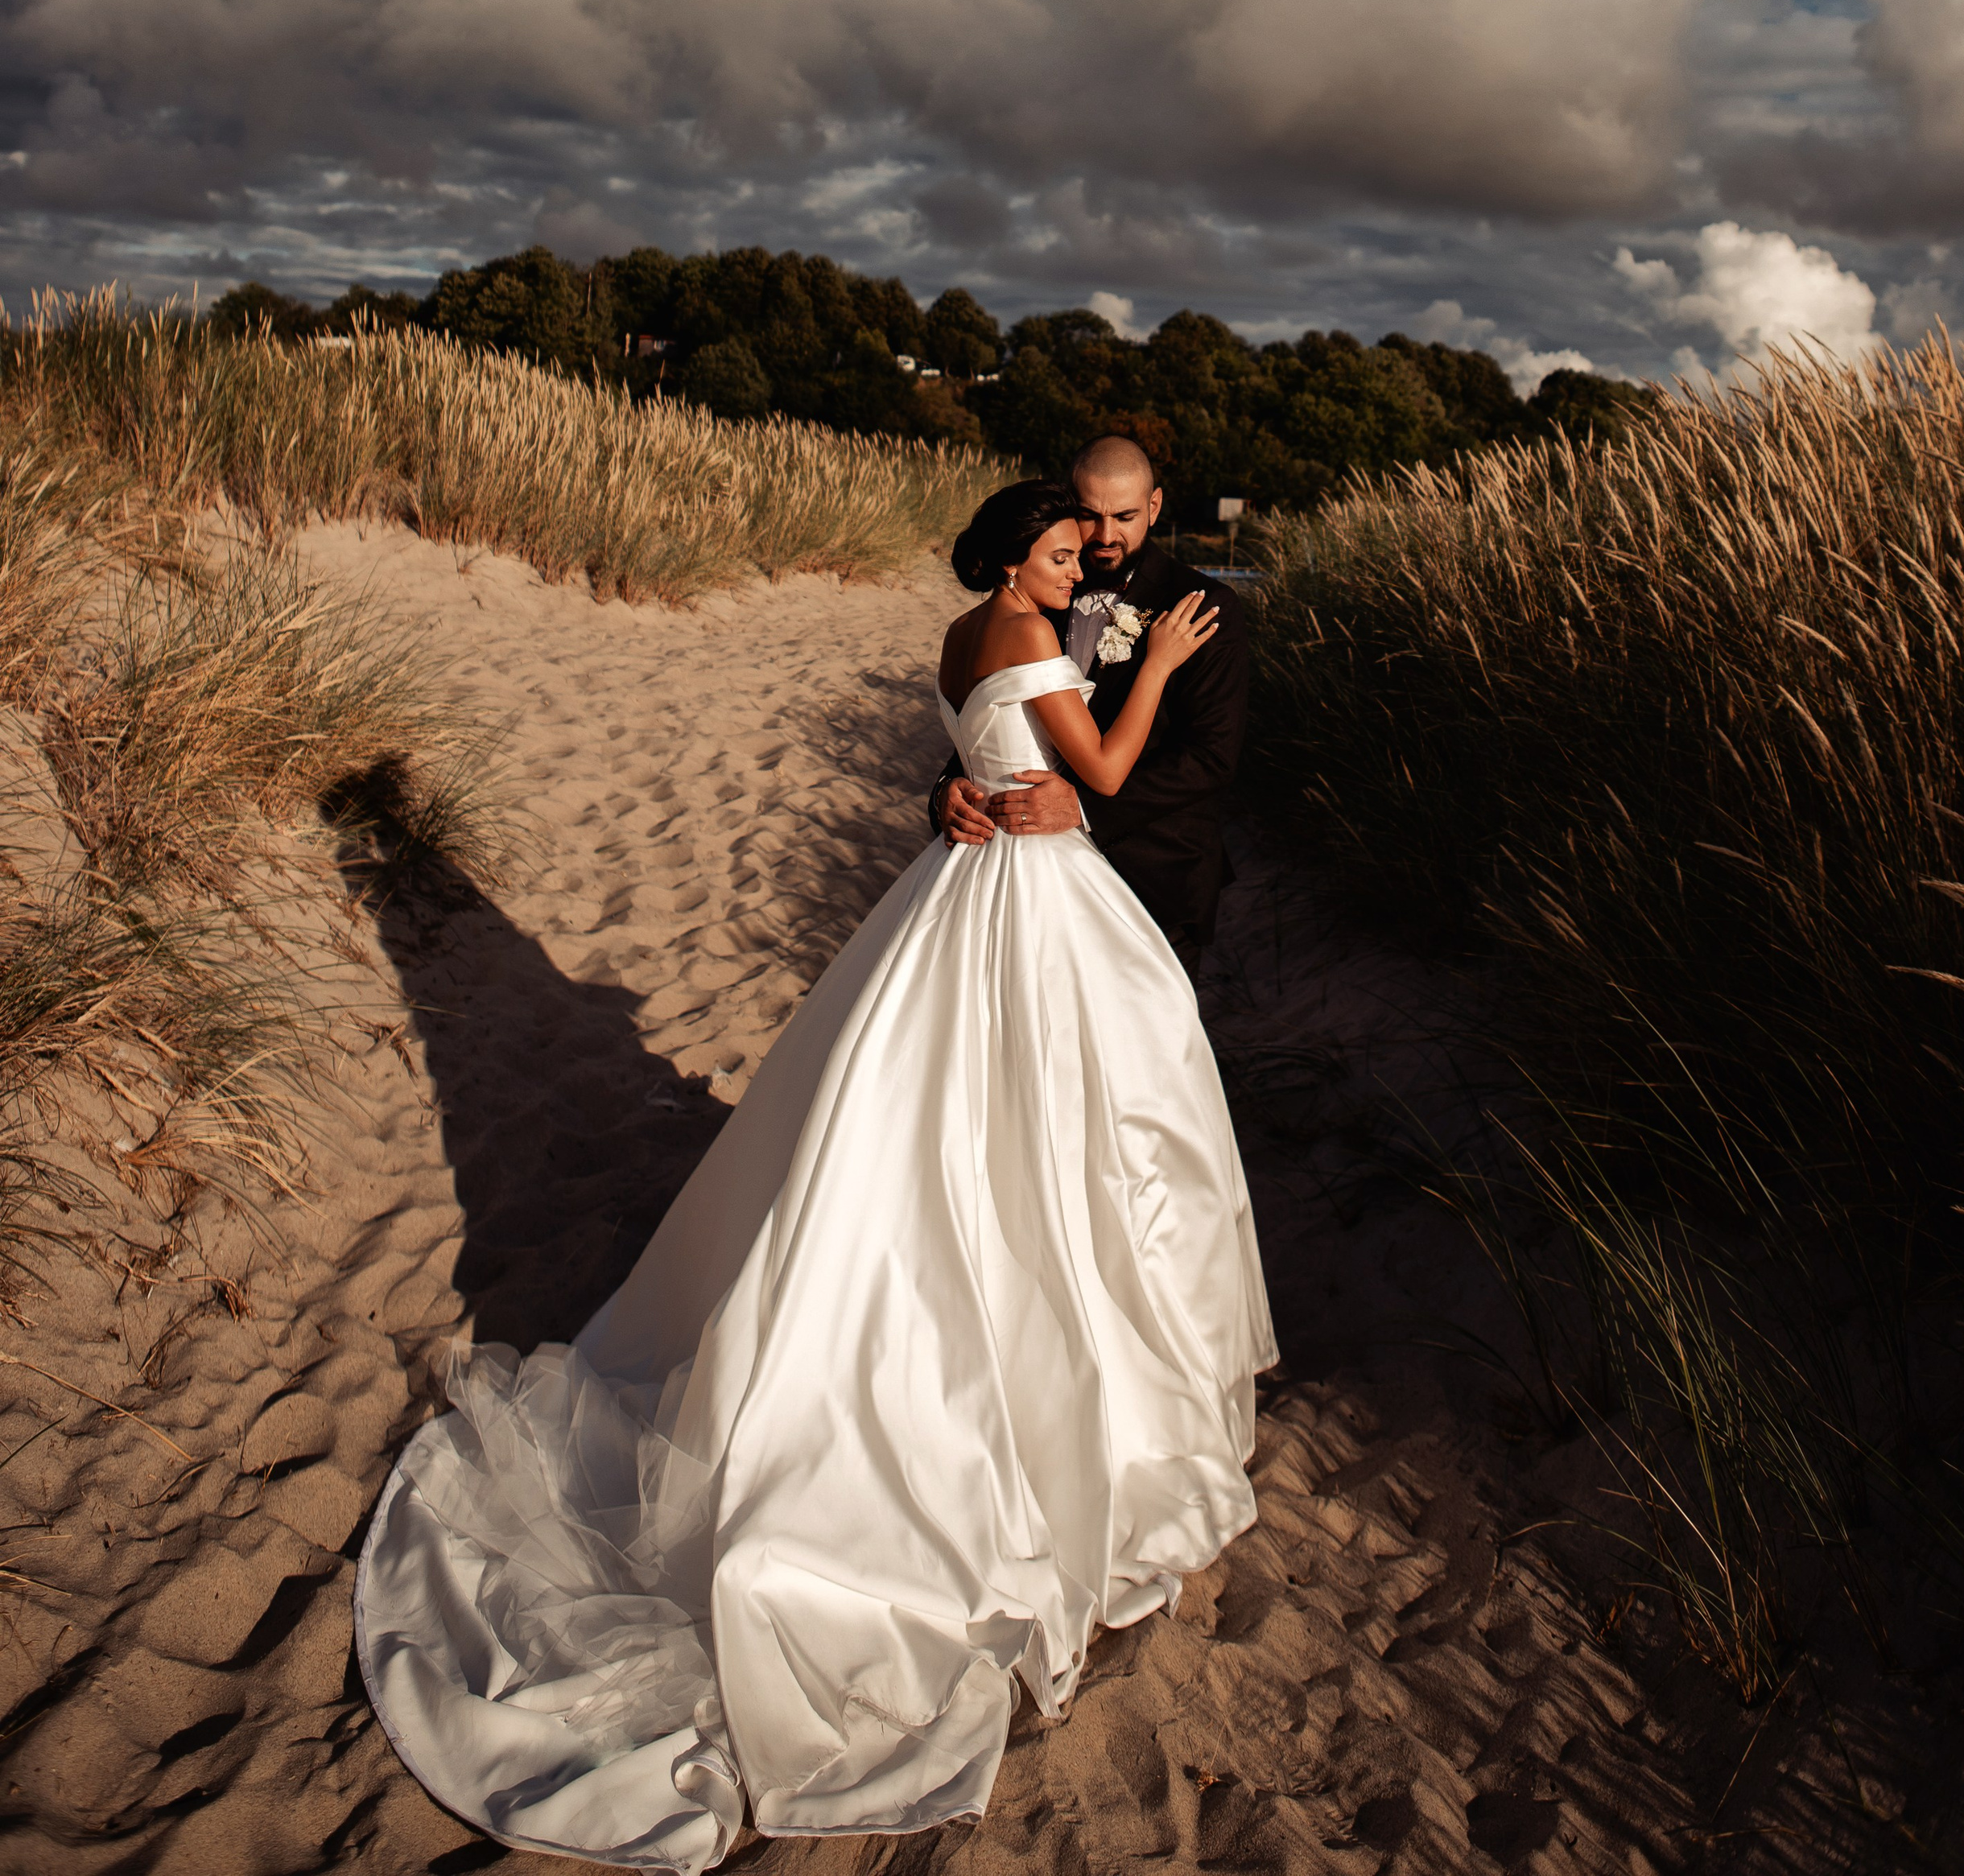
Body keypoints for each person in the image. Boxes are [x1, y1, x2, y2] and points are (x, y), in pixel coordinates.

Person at [354, 477, 1276, 1872]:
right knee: (1020, 1128)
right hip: (1031, 889)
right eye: (1058, 547)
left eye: (1092, 540)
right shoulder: (1036, 627)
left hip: (997, 887)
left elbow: (1031, 737)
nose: (1080, 562)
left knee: (969, 1113)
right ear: (1019, 559)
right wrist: (1135, 682)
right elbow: (1095, 770)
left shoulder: (993, 628)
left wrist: (985, 775)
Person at [934, 435, 1248, 965]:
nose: (1104, 536)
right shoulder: (1043, 591)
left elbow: (1211, 757)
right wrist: (946, 791)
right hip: (1033, 878)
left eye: (1124, 516)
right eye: (1088, 516)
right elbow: (998, 715)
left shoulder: (1202, 605)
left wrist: (1081, 807)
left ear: (1154, 506)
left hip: (1155, 877)